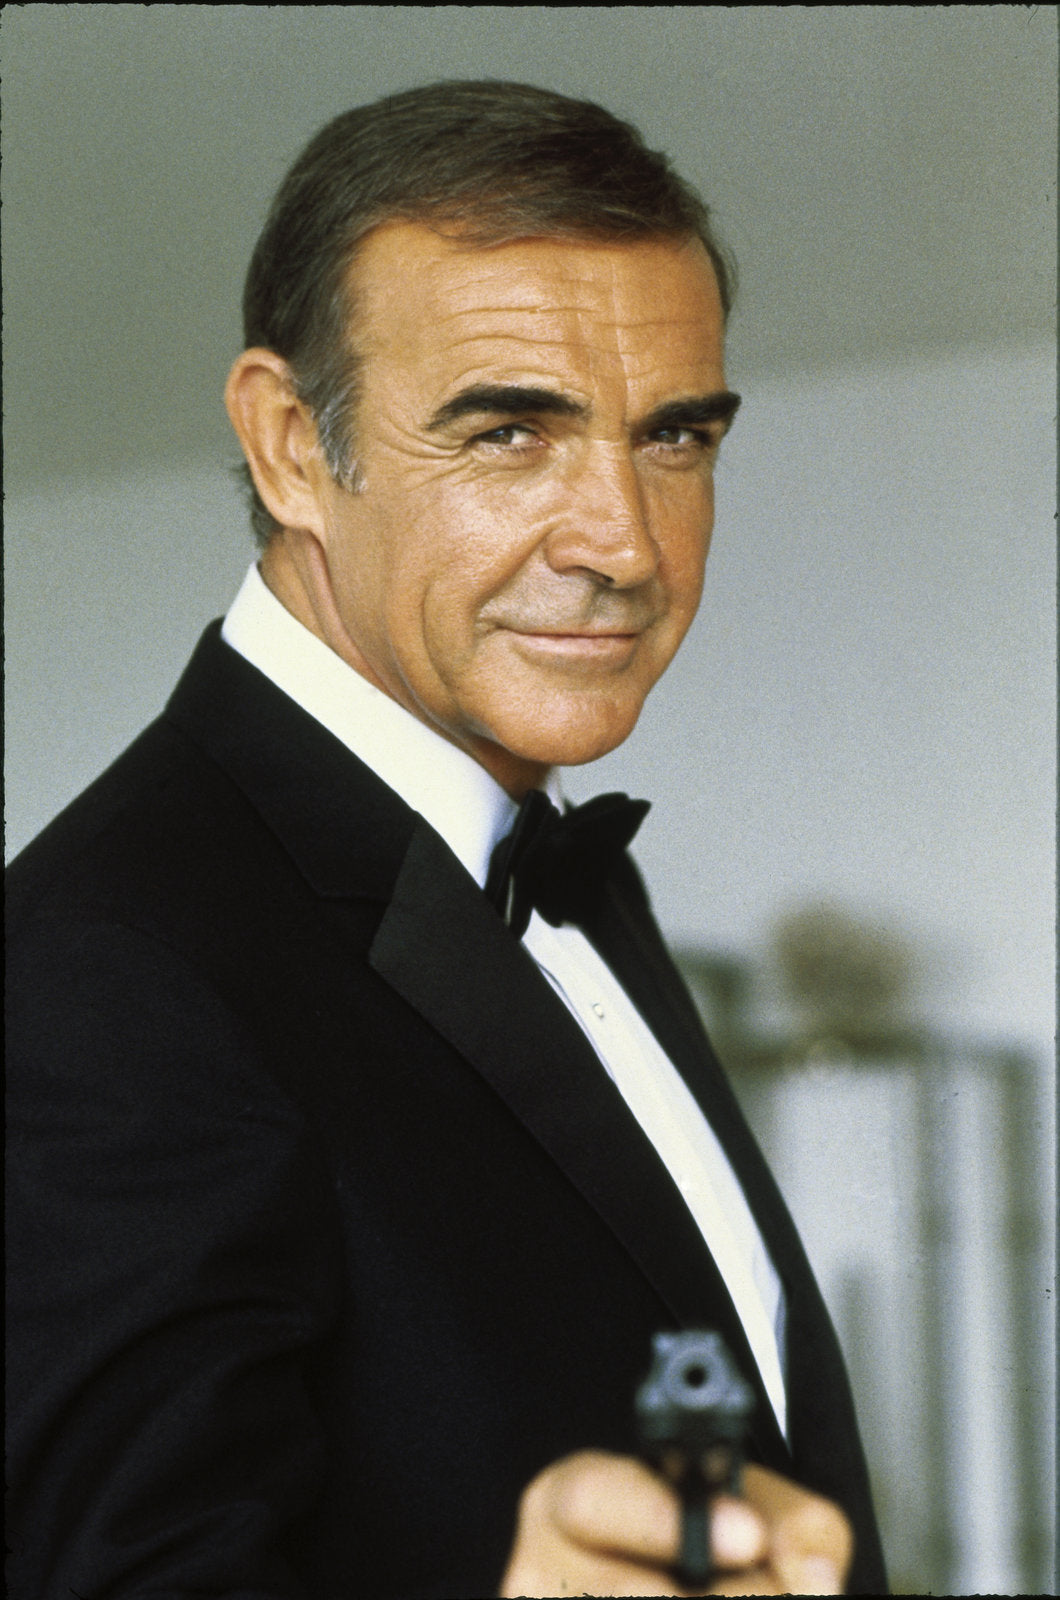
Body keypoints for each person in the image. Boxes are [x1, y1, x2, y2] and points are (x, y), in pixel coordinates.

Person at [6, 81, 887, 1598]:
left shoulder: (557, 867)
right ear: (291, 446)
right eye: (510, 433)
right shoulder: (100, 968)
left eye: (675, 437)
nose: (624, 541)